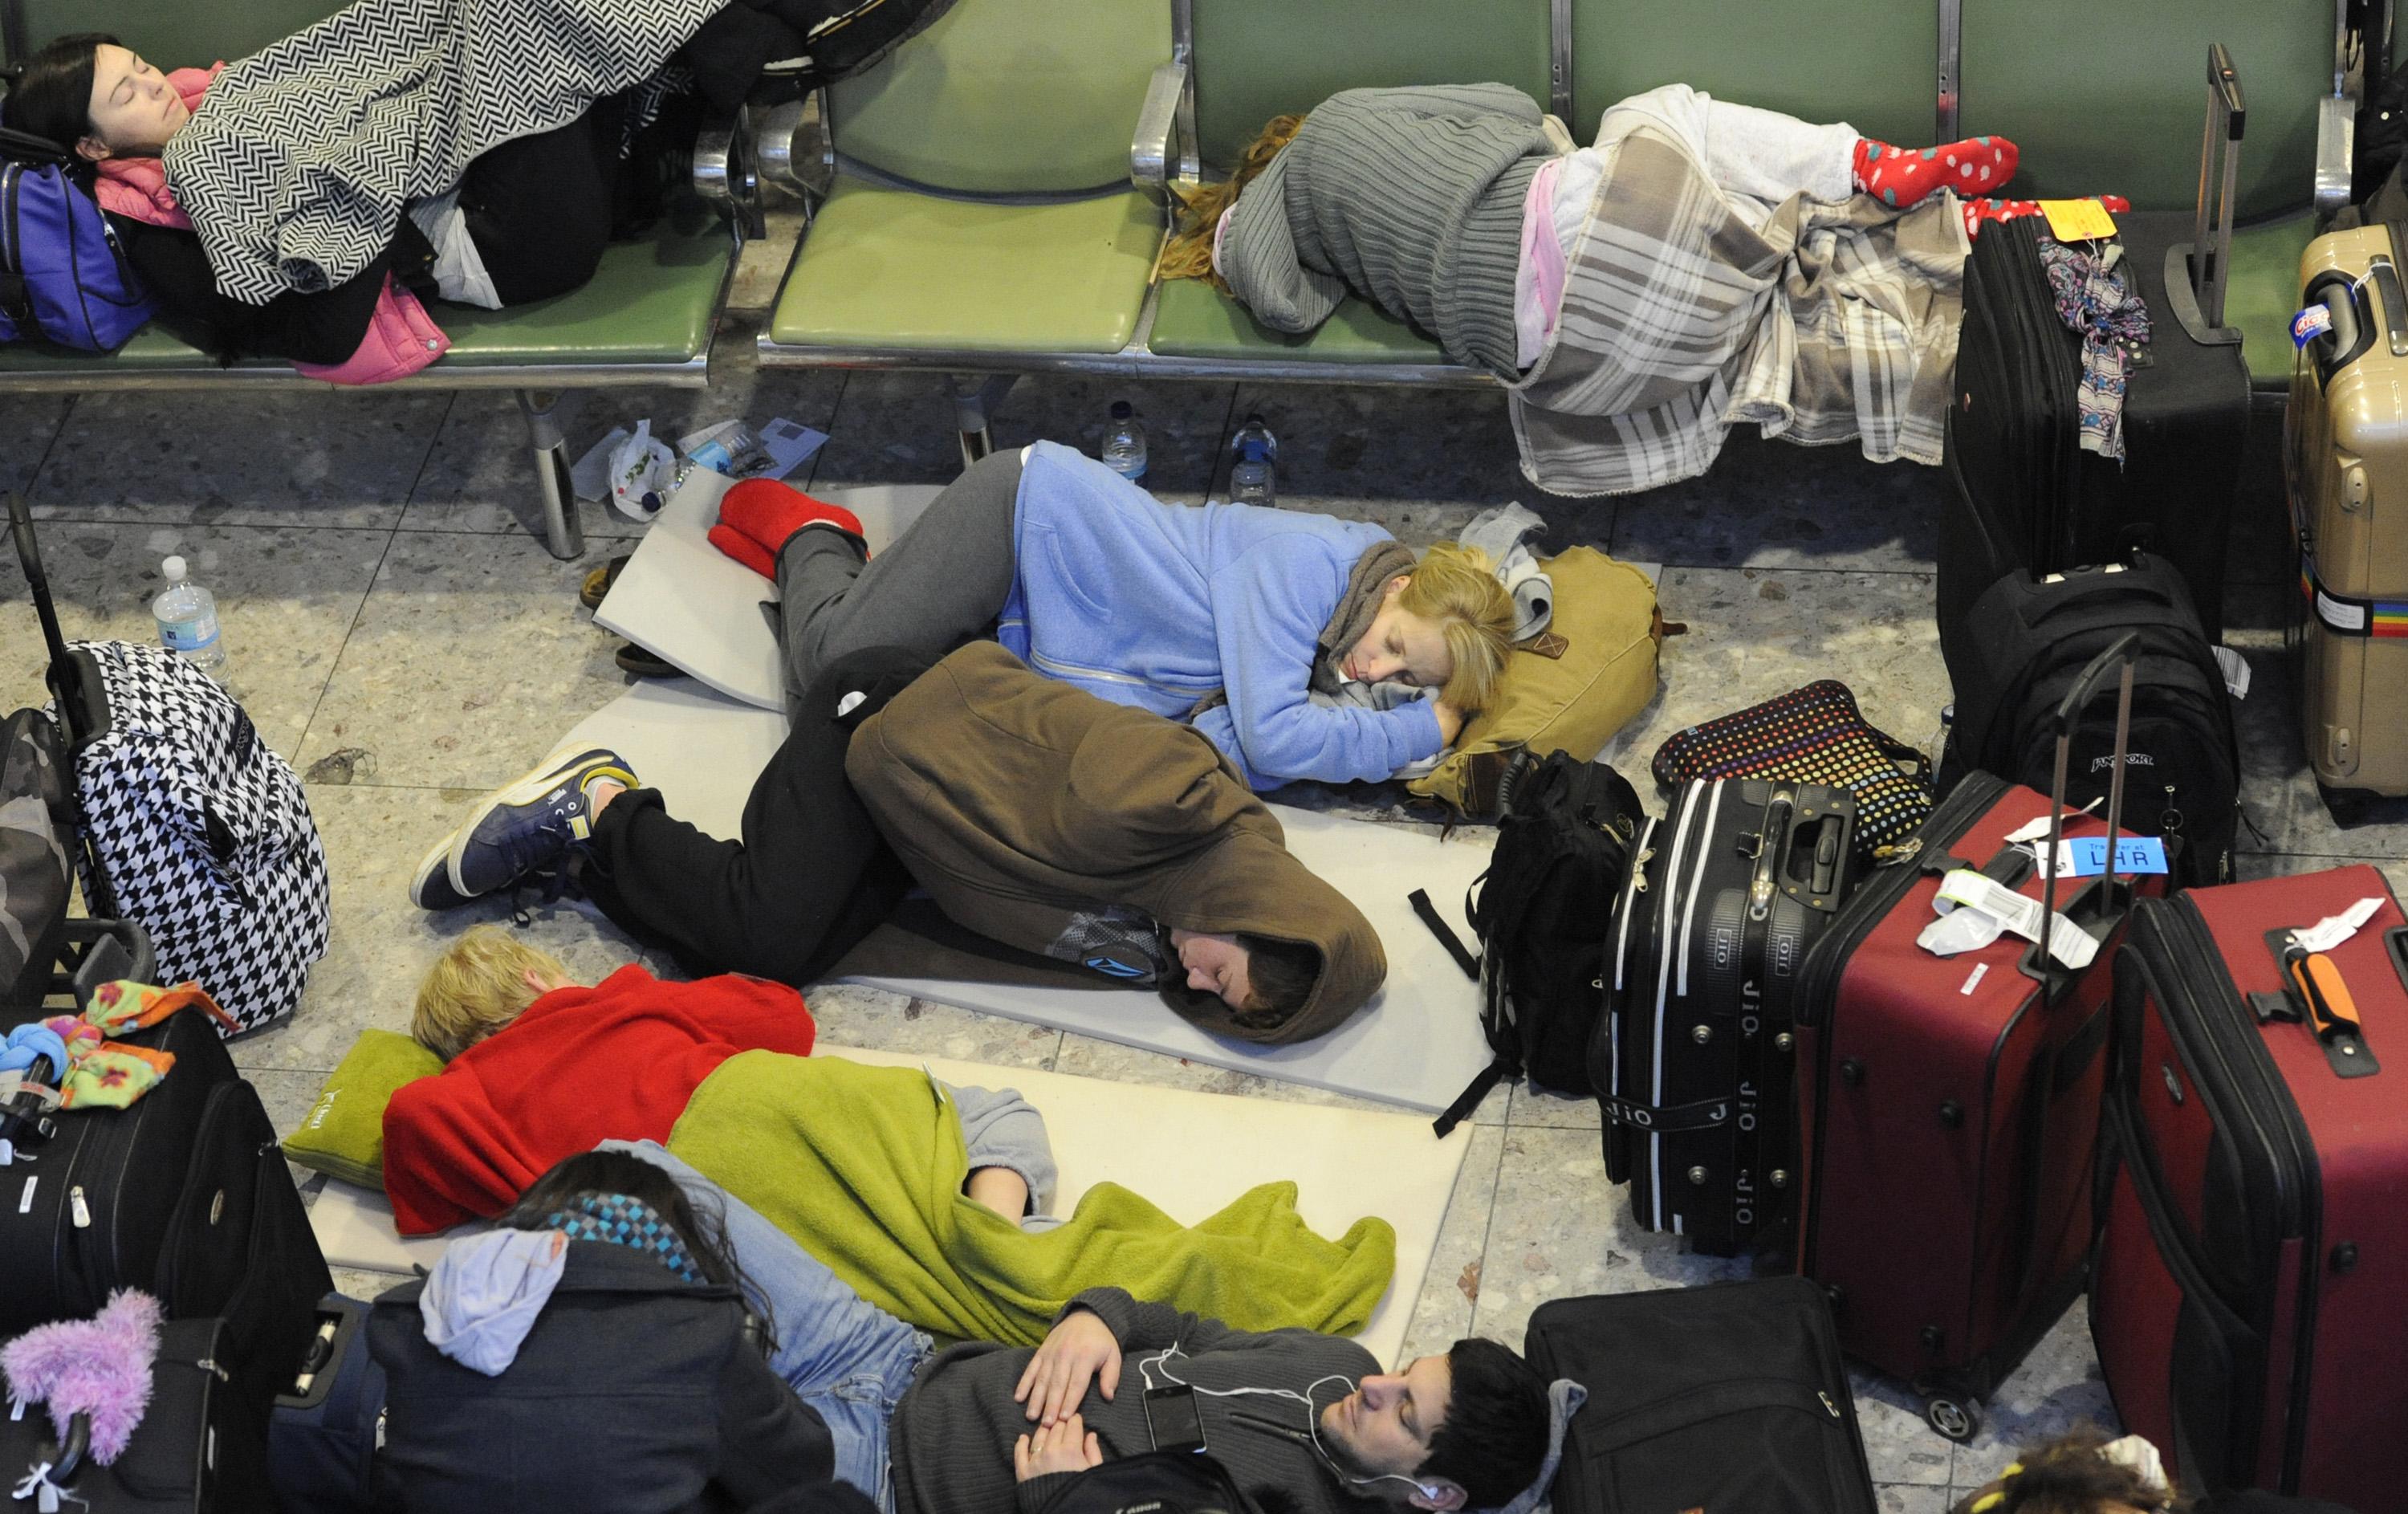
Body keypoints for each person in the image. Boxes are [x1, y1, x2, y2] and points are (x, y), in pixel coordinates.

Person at [422, 1143, 1553, 1514]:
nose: (1377, 1385)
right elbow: (1185, 1315)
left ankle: (455, 1376)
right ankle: (547, 1319)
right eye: (1407, 1369)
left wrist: (1062, 1491)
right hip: (898, 1351)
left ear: (1432, 1492)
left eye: (1407, 1409)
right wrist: (1098, 1315)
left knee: (636, 1403)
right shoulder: (1336, 1361)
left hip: (879, 1473)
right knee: (641, 1165)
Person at [1161, 83, 2129, 495]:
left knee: (1777, 294)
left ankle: (1951, 226)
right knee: (1666, 119)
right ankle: (1888, 177)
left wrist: (1310, 251)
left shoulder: (1268, 232)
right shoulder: (1339, 118)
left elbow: (1287, 308)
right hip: (1594, 232)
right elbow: (1511, 112)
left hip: (1587, 364)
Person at [410, 641, 1389, 1048]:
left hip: (918, 819)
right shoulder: (1158, 797)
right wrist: (858, 866)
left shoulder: (1175, 914)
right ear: (1249, 914)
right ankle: (600, 804)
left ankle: (585, 864)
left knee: (763, 961)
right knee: (767, 926)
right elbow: (955, 727)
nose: (1203, 988)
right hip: (888, 726)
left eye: (1223, 1002)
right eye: (1229, 976)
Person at [706, 442, 1516, 790]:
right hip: (1022, 521)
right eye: (1395, 647)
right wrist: (1416, 731)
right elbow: (1272, 736)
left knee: (847, 732)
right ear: (1401, 585)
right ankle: (818, 536)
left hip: (1030, 624)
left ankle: (876, 588)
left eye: (1408, 679)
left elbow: (1227, 751)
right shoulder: (1306, 569)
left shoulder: (1339, 629)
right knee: (828, 668)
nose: (1375, 673)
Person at [5, 29, 702, 369]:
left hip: (476, 178)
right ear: (94, 148)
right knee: (509, 33)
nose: (153, 85)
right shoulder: (157, 226)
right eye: (125, 94)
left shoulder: (229, 95)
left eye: (141, 67)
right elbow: (319, 336)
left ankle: (760, 29)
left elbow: (358, 76)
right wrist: (366, 179)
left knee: (487, 28)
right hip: (491, 247)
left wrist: (379, 138)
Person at [384, 926, 1063, 1235]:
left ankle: (985, 1243)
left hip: (692, 1223)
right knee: (988, 1114)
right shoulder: (616, 1001)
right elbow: (785, 1021)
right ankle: (993, 1233)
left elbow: (418, 1167)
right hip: (752, 1123)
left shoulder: (459, 1103)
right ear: (538, 978)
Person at [367, 1149, 849, 1512]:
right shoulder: (700, 1332)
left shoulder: (409, 1320)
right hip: (773, 1429)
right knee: (861, 1367)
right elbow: (803, 1473)